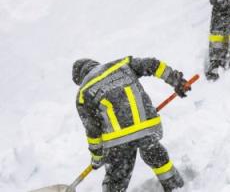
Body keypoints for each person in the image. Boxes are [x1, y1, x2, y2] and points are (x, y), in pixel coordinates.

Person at [73, 56, 190, 191]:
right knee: (156, 155)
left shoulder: (83, 93)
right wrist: (176, 80)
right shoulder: (121, 65)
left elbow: (93, 130)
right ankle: (175, 186)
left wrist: (97, 156)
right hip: (147, 127)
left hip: (118, 140)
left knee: (118, 176)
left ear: (80, 79)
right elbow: (152, 64)